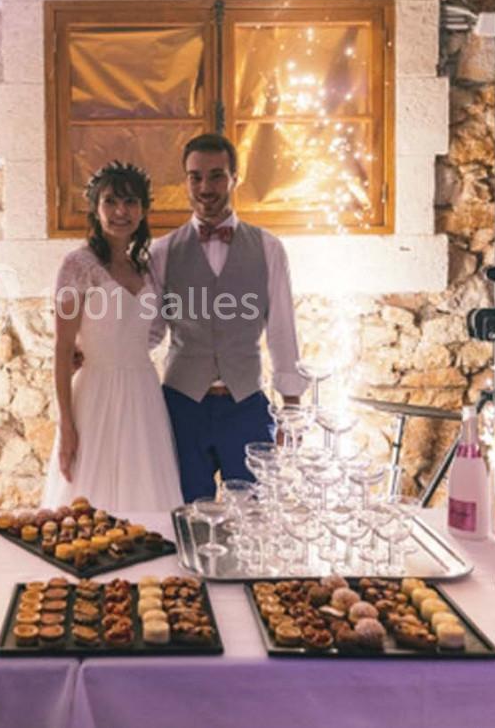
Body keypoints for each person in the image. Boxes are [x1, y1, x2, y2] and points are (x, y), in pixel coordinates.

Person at [150, 133, 307, 502]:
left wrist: (291, 409)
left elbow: (283, 331)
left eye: (217, 175)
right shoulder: (162, 252)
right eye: (196, 176)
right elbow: (150, 331)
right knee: (184, 517)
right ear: (185, 181)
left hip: (247, 406)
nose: (206, 187)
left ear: (235, 178)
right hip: (180, 406)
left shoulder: (269, 248)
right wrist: (98, 353)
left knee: (255, 517)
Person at [41, 162, 183, 511]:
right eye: (110, 202)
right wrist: (67, 425)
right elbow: (61, 351)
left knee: (146, 496)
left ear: (143, 209)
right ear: (95, 209)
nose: (121, 211)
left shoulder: (146, 267)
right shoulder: (77, 265)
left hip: (143, 394)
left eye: (131, 202)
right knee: (88, 505)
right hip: (95, 395)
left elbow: (144, 334)